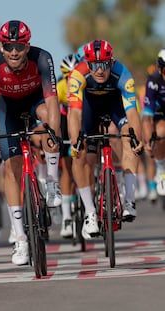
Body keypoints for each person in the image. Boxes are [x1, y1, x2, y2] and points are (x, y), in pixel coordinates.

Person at [0, 20, 62, 265]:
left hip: (35, 102)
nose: (13, 51)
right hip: (7, 110)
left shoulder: (43, 58)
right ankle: (20, 239)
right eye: (8, 46)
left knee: (50, 121)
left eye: (18, 46)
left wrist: (54, 135)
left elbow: (52, 104)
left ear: (28, 46)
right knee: (11, 167)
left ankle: (51, 182)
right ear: (1, 47)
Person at [68, 39, 143, 240]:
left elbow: (132, 112)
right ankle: (90, 212)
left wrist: (136, 137)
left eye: (103, 65)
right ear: (87, 63)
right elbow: (74, 114)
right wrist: (75, 140)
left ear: (111, 62)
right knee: (79, 153)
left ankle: (129, 200)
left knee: (129, 137)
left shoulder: (123, 73)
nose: (99, 71)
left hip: (114, 105)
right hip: (88, 108)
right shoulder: (77, 74)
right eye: (94, 66)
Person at [57, 53, 80, 238]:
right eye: (68, 76)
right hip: (65, 118)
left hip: (82, 114)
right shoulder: (61, 88)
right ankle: (66, 217)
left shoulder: (86, 85)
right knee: (67, 169)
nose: (71, 80)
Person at [142, 49, 165, 196]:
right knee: (161, 131)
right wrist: (148, 141)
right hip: (157, 113)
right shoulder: (153, 81)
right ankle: (161, 169)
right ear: (161, 69)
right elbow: (147, 118)